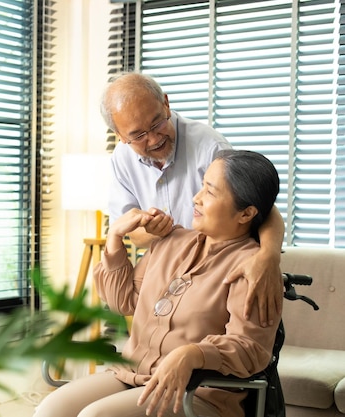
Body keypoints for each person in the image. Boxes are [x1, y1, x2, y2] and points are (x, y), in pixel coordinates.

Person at [33, 150, 282, 417]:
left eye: (210, 192)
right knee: (50, 410)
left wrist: (193, 353)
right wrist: (115, 236)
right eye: (201, 187)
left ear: (246, 214)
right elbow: (123, 302)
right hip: (131, 375)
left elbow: (251, 350)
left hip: (198, 393)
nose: (196, 198)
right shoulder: (170, 241)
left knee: (95, 416)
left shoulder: (254, 269)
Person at [101, 72, 284, 326]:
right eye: (139, 135)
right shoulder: (122, 159)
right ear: (120, 136)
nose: (153, 139)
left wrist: (269, 258)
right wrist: (156, 233)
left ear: (166, 103)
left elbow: (257, 205)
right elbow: (132, 235)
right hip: (170, 271)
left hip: (216, 274)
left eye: (156, 124)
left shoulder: (209, 147)